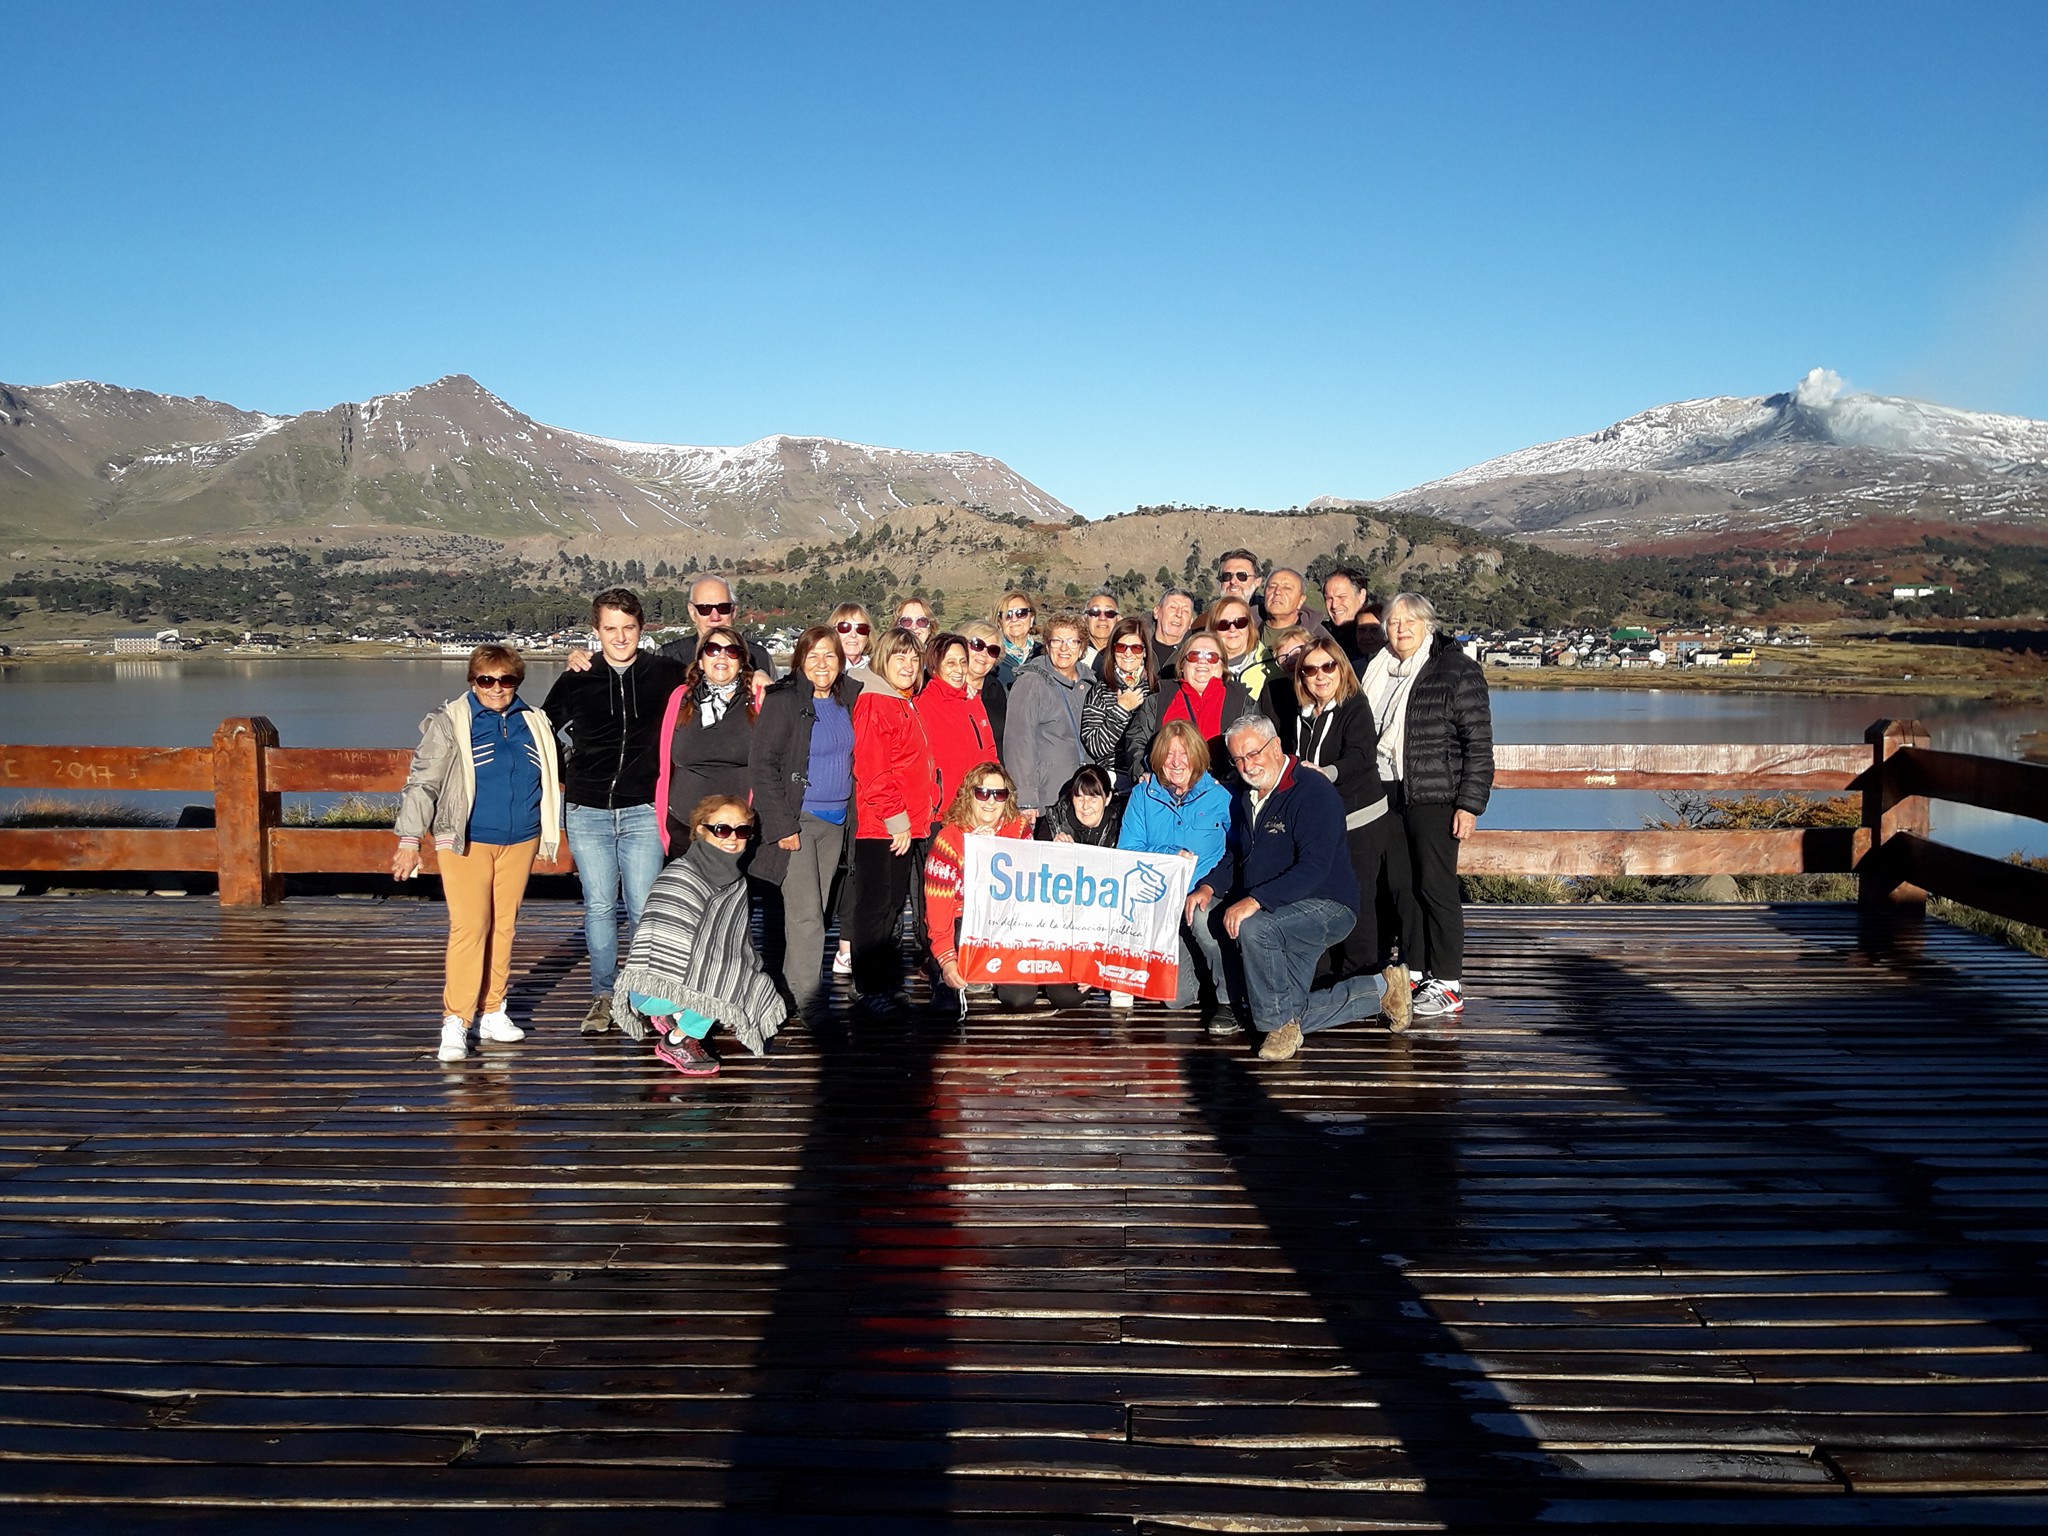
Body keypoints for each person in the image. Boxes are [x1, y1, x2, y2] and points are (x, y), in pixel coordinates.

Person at [1186, 714, 1393, 1061]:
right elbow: (1236, 855)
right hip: (1278, 909)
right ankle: (1381, 991)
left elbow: (1315, 867)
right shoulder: (1245, 796)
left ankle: (1278, 1029)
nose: (1247, 766)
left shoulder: (1313, 791)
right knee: (1287, 1007)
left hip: (1326, 905)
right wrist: (1209, 886)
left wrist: (1256, 900)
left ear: (1276, 745)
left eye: (1253, 753)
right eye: (1238, 759)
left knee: (1254, 927)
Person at [395, 645, 563, 1064]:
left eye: (506, 680)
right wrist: (409, 840)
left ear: (517, 682)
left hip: (521, 838)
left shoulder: (535, 720)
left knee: (504, 927)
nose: (496, 688)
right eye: (486, 680)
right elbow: (423, 782)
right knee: (470, 928)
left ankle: (493, 1011)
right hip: (465, 839)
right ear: (472, 681)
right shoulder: (450, 721)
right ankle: (456, 1020)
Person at [542, 589, 685, 1034]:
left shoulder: (665, 673)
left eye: (628, 628)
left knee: (643, 908)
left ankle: (644, 996)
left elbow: (716, 682)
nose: (620, 637)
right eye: (610, 629)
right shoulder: (577, 677)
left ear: (641, 629)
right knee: (600, 906)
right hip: (587, 810)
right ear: (596, 631)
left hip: (643, 808)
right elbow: (542, 730)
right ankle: (603, 995)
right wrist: (568, 769)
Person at [1361, 593, 1494, 1018]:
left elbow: (1478, 745)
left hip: (1435, 796)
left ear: (1428, 624)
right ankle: (1416, 970)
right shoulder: (1377, 668)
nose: (1400, 629)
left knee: (1436, 886)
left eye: (1409, 621)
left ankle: (1449, 981)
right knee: (1402, 885)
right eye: (1393, 622)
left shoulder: (1455, 669)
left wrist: (1469, 804)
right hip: (1387, 791)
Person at [1269, 638, 1414, 1012]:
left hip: (1359, 820)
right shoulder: (1301, 712)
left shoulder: (1355, 706)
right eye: (1310, 669)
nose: (1320, 676)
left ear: (1341, 668)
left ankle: (1363, 982)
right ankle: (1325, 978)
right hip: (1320, 824)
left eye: (1327, 666)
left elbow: (1361, 757)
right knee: (1318, 899)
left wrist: (1325, 773)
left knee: (1358, 902)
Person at [613, 795, 786, 1078]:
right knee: (726, 981)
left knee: (745, 975)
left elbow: (736, 946)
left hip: (688, 982)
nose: (733, 838)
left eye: (742, 830)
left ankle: (678, 1014)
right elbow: (656, 947)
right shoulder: (680, 876)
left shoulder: (736, 882)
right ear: (701, 830)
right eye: (722, 829)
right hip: (652, 989)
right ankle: (677, 1040)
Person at [749, 624, 860, 1021]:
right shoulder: (783, 701)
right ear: (799, 661)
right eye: (813, 656)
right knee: (806, 915)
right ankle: (810, 1002)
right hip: (799, 819)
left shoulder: (849, 698)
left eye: (830, 655)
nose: (822, 664)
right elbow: (762, 766)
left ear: (841, 661)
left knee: (819, 912)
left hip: (837, 821)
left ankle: (791, 991)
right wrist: (782, 826)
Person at [923, 763, 1088, 1011]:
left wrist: (1057, 857)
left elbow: (1034, 890)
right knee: (1017, 998)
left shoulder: (1019, 829)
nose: (991, 801)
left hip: (1011, 924)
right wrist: (947, 961)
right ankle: (950, 970)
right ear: (969, 794)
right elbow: (938, 914)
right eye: (982, 793)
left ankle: (1015, 972)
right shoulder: (949, 839)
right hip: (967, 924)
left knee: (1062, 995)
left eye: (999, 794)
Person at [849, 626, 942, 1002]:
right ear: (882, 660)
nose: (908, 665)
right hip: (882, 827)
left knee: (891, 907)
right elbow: (871, 769)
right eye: (899, 657)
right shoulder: (875, 701)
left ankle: (883, 984)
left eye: (914, 658)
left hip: (907, 825)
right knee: (876, 908)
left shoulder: (904, 700)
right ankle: (868, 988)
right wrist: (896, 820)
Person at [1117, 720, 1232, 1009]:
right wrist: (1169, 854)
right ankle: (1198, 976)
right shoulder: (1143, 795)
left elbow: (1237, 852)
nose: (1176, 762)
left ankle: (1229, 999)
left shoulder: (1221, 796)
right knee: (1176, 1000)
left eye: (1184, 754)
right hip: (1161, 901)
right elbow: (1128, 850)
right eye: (1168, 754)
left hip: (1206, 892)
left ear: (1197, 756)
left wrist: (1210, 886)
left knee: (1204, 919)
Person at [652, 624, 758, 853]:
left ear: (742, 663)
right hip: (683, 826)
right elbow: (664, 763)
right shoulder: (680, 698)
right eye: (712, 649)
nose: (722, 656)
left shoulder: (758, 701)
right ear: (700, 661)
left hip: (737, 833)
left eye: (732, 651)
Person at [1119, 632, 1253, 785]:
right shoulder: (1160, 699)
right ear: (1182, 664)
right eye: (1194, 656)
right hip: (1166, 791)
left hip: (1223, 791)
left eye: (1211, 657)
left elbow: (1254, 747)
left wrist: (1234, 781)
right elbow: (1136, 741)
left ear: (1222, 665)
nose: (1202, 661)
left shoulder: (1241, 700)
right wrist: (1144, 773)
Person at [1004, 611, 1090, 822]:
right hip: (1047, 800)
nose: (1064, 648)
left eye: (1072, 641)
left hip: (1086, 797)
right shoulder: (1030, 683)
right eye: (1057, 641)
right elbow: (1018, 743)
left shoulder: (1090, 684)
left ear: (1082, 647)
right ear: (1047, 645)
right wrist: (1025, 799)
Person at [915, 629, 998, 812]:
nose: (959, 670)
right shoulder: (922, 705)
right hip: (941, 810)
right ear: (934, 666)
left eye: (963, 662)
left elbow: (989, 751)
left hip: (976, 806)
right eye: (950, 663)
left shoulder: (972, 701)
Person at [1080, 617, 1156, 786]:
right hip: (1111, 782)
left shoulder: (1156, 691)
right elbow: (1095, 747)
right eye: (1121, 647)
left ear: (1145, 652)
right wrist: (1121, 710)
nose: (1128, 653)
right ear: (1113, 650)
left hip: (1149, 780)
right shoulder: (1100, 691)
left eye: (1136, 648)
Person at [659, 573, 776, 677]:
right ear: (692, 612)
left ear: (733, 611)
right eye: (705, 609)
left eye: (723, 608)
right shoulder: (668, 658)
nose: (715, 617)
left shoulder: (759, 658)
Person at [1036, 762, 1125, 848]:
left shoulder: (1122, 826)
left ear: (1107, 799)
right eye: (1080, 798)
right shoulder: (1054, 821)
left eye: (1093, 799)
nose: (1085, 806)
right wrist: (1052, 847)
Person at [1207, 596, 1275, 701]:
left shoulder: (1271, 666)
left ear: (1250, 626)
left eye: (1240, 622)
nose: (1232, 629)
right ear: (1212, 629)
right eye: (1223, 624)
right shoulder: (1201, 668)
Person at [959, 618, 1009, 747]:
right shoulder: (943, 688)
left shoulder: (997, 689)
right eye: (978, 645)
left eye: (992, 650)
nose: (984, 654)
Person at [1261, 567, 1327, 642]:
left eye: (1287, 588)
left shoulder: (1319, 640)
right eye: (1272, 587)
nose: (1277, 592)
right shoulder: (1251, 624)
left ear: (1301, 600)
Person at [1149, 589, 1198, 677]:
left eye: (1185, 611)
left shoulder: (1195, 656)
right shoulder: (1135, 646)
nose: (1179, 614)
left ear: (1190, 622)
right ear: (1156, 612)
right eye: (1173, 607)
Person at [995, 590, 1040, 685]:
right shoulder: (991, 655)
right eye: (1007, 615)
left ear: (1031, 619)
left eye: (1021, 613)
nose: (1014, 619)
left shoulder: (1044, 654)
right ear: (999, 623)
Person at [829, 602, 875, 673]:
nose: (853, 635)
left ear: (867, 636)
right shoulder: (824, 669)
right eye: (844, 627)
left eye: (861, 628)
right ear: (833, 632)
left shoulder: (878, 670)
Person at [1079, 589, 1120, 667]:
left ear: (1118, 619)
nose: (1102, 618)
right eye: (1095, 612)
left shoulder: (1126, 655)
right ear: (1084, 618)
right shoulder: (1071, 653)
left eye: (1109, 613)